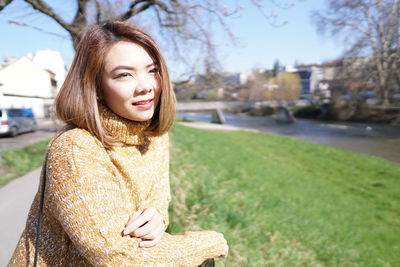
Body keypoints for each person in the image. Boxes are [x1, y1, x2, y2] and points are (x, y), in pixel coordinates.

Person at [8, 21, 228, 267]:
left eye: (152, 70)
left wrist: (157, 218)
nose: (146, 87)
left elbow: (157, 205)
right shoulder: (75, 149)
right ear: (97, 87)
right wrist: (211, 243)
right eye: (124, 75)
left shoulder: (154, 137)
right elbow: (120, 257)